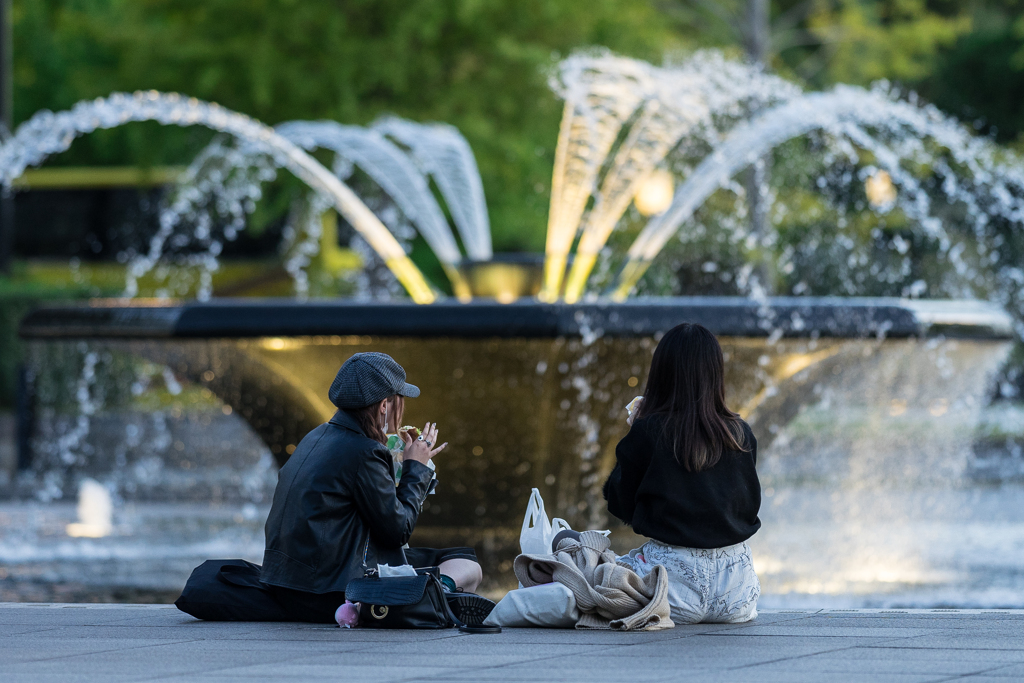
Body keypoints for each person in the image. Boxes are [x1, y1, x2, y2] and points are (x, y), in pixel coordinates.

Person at [176, 352, 494, 625]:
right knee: (468, 567)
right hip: (331, 592)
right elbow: (398, 531)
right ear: (384, 405)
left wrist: (407, 465)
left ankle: (437, 593)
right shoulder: (364, 452)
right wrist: (416, 469)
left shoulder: (318, 436)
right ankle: (437, 596)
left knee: (455, 555)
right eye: (398, 401)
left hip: (292, 582)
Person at [603, 323, 761, 625]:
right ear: (716, 373)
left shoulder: (650, 430)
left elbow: (619, 504)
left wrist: (635, 432)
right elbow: (750, 507)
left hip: (671, 590)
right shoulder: (741, 433)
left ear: (662, 373)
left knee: (590, 567)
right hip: (738, 594)